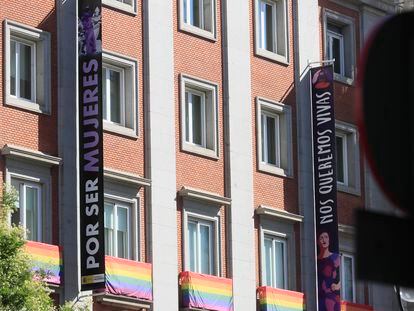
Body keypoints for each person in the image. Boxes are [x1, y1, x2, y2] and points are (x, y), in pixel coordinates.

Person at [317, 231, 341, 311]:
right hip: (319, 298)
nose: (324, 240)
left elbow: (341, 277)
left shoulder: (335, 257)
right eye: (321, 238)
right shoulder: (315, 260)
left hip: (331, 297)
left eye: (326, 237)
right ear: (318, 241)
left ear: (329, 239)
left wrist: (337, 286)